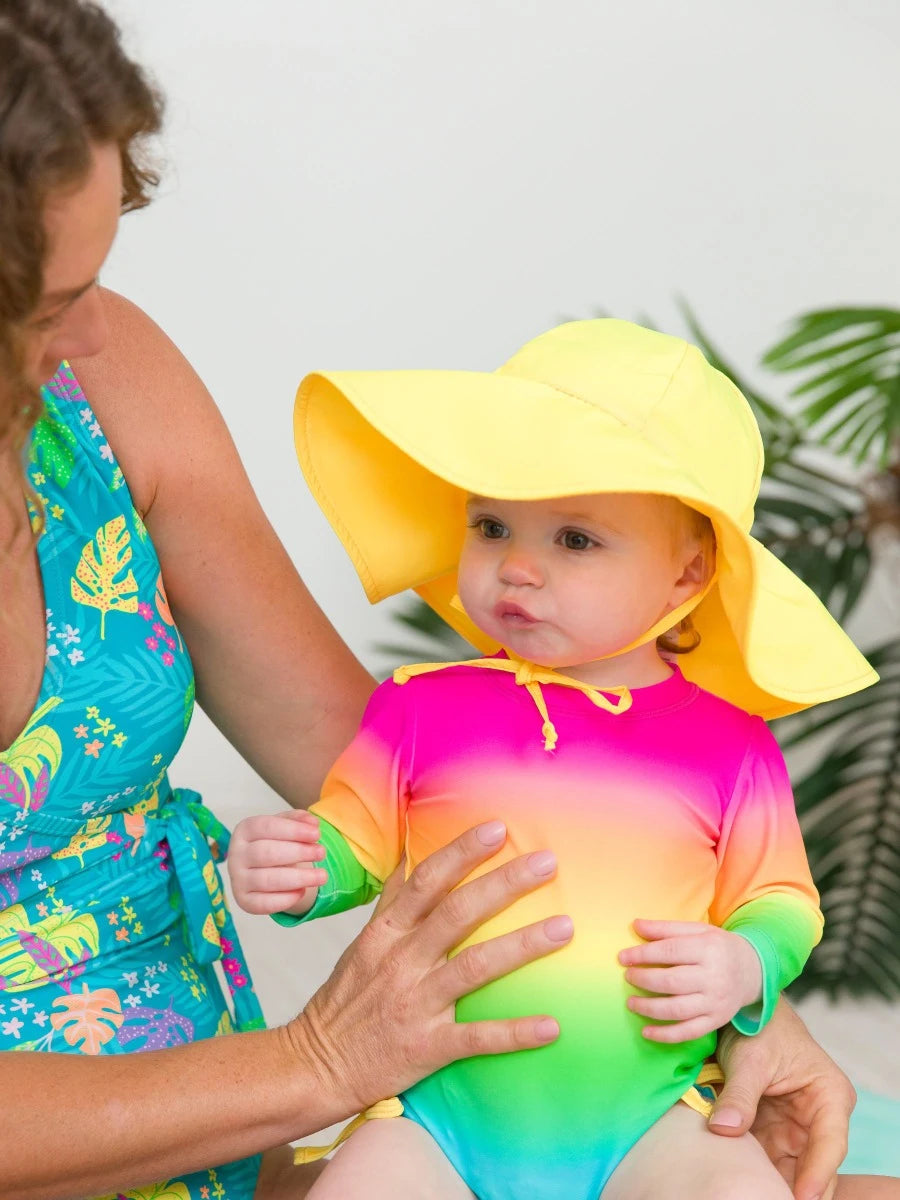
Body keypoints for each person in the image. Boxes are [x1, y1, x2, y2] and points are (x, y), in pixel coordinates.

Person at [0, 3, 888, 1199]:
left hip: (225, 1128)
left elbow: (395, 791)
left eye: (102, 273)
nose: (93, 333)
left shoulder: (107, 388)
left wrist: (740, 988)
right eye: (49, 302)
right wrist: (313, 1062)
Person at [229, 319, 883, 1200]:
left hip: (652, 1116)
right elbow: (355, 843)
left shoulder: (730, 742)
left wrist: (746, 965)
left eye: (574, 540)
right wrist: (306, 864)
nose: (517, 569)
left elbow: (781, 900)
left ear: (688, 577)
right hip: (433, 1116)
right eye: (492, 526)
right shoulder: (420, 707)